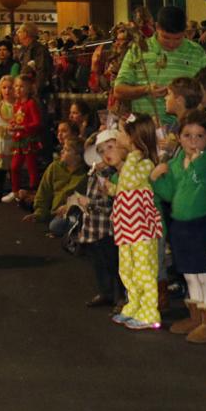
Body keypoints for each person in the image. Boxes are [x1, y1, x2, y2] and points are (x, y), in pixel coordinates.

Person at [152, 108, 206, 344]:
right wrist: (158, 178)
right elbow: (169, 194)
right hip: (179, 226)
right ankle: (196, 315)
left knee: (204, 272)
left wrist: (198, 164)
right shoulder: (176, 162)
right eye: (187, 136)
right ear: (179, 138)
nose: (193, 141)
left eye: (199, 136)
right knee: (189, 274)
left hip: (201, 225)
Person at [110, 113, 164, 331]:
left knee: (144, 270)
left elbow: (131, 182)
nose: (119, 136)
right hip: (125, 227)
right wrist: (112, 189)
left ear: (134, 137)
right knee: (127, 269)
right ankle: (135, 305)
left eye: (123, 132)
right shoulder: (132, 162)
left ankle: (150, 311)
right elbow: (125, 188)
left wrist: (131, 156)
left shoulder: (143, 161)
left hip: (141, 228)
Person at [112, 6, 206, 126]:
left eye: (178, 39)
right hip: (145, 130)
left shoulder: (197, 52)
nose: (172, 43)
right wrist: (145, 90)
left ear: (185, 31)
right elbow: (118, 90)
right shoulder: (139, 50)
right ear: (157, 27)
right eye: (166, 37)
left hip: (185, 130)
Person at [74, 130, 123, 309]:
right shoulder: (95, 172)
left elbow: (112, 202)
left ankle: (119, 297)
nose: (105, 155)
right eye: (101, 152)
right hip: (93, 225)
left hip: (107, 226)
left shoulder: (114, 174)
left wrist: (91, 204)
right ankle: (105, 292)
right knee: (98, 262)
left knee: (113, 263)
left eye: (109, 149)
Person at [26, 136, 87, 225]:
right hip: (55, 212)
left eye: (67, 150)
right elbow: (44, 192)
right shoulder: (55, 167)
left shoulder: (85, 175)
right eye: (63, 148)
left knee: (57, 225)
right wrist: (39, 213)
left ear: (78, 156)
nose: (62, 151)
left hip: (72, 211)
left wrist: (69, 207)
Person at [4, 75, 43, 203]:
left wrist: (22, 127)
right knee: (14, 166)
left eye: (21, 86)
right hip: (19, 140)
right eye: (16, 86)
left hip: (28, 140)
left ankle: (33, 192)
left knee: (31, 167)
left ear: (29, 88)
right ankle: (15, 191)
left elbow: (37, 122)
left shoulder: (30, 103)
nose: (18, 89)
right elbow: (18, 119)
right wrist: (13, 125)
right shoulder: (18, 104)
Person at [14, 23, 53, 100]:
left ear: (25, 34)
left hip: (35, 92)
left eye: (19, 31)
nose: (17, 34)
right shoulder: (23, 49)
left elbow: (42, 70)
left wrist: (36, 90)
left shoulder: (39, 50)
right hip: (24, 90)